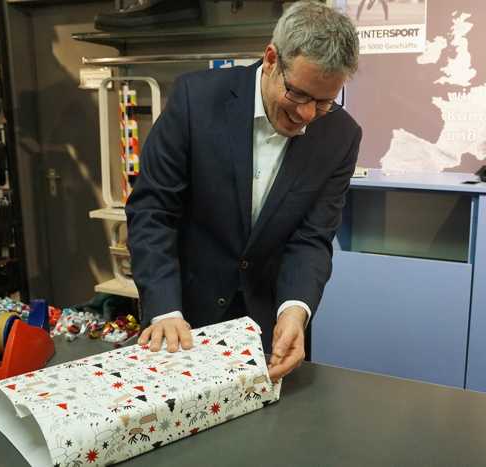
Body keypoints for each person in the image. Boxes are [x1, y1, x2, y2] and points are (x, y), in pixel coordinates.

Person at [126, 1, 361, 382]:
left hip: (270, 327)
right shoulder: (195, 100)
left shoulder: (340, 135)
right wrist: (165, 309)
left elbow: (312, 238)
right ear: (271, 59)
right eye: (299, 95)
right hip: (184, 318)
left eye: (323, 102)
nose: (306, 115)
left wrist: (295, 309)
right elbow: (153, 210)